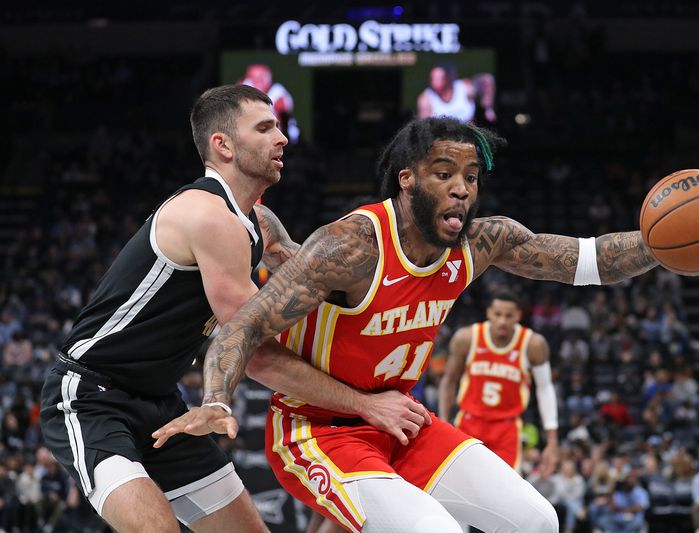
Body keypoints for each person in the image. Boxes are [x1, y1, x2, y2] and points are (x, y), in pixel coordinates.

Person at [156, 117, 699, 532]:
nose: (461, 190)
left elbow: (589, 260)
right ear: (408, 179)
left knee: (539, 522)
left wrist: (666, 243)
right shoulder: (350, 247)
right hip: (317, 431)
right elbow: (241, 329)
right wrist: (215, 398)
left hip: (405, 423)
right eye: (444, 174)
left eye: (471, 177)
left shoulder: (482, 242)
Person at [40, 85, 429, 533]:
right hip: (90, 395)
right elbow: (257, 353)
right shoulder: (208, 216)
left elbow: (329, 291)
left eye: (279, 127)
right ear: (221, 145)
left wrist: (408, 291)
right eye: (265, 128)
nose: (282, 138)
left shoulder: (260, 223)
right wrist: (365, 403)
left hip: (162, 402)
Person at [438, 290, 559, 474]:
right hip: (469, 423)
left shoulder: (533, 344)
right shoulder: (467, 338)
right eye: (498, 314)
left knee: (504, 494)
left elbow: (545, 389)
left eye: (509, 315)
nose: (502, 321)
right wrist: (444, 422)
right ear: (488, 313)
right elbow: (449, 380)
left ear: (518, 315)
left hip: (507, 428)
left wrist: (552, 440)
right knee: (461, 483)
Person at [417, 64, 496, 124]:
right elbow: (425, 127)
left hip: (468, 139)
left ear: (447, 78)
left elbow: (487, 79)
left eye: (439, 78)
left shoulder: (464, 88)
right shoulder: (426, 98)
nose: (434, 82)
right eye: (432, 78)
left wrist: (488, 108)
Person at [240, 63, 298, 141]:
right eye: (254, 77)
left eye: (261, 77)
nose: (258, 81)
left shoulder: (278, 95)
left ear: (269, 77)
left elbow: (284, 123)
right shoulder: (242, 89)